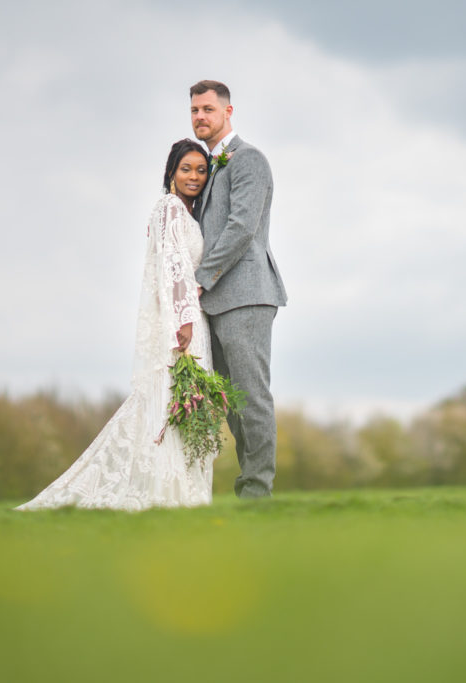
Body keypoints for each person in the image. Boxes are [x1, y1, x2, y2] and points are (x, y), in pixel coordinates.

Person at [16, 140, 214, 511]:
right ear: (171, 172)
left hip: (191, 318)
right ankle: (167, 494)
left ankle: (185, 493)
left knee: (183, 407)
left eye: (201, 170)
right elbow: (172, 267)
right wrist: (183, 321)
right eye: (186, 169)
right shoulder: (169, 207)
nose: (194, 177)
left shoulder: (184, 212)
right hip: (181, 322)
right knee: (170, 407)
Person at [190, 80, 287, 499]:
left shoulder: (248, 160)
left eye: (208, 109)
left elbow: (242, 228)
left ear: (228, 112)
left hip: (246, 293)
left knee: (252, 397)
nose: (200, 117)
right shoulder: (205, 165)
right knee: (231, 402)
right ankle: (250, 485)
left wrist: (199, 277)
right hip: (214, 299)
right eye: (194, 110)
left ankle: (257, 492)